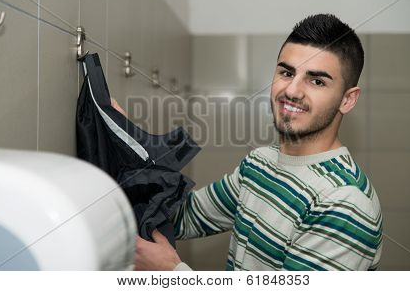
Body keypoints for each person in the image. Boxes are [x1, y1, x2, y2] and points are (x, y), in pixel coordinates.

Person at [129, 14, 383, 271]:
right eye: (287, 72)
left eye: (317, 81)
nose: (292, 91)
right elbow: (185, 217)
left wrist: (174, 274)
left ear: (347, 100)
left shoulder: (345, 203)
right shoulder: (261, 163)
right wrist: (124, 141)